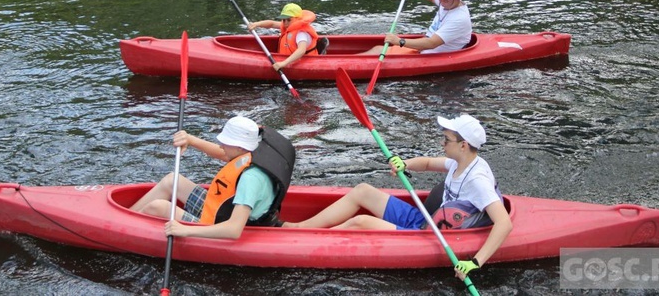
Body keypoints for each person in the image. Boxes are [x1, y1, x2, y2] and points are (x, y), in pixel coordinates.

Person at [282, 114, 512, 281]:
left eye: (446, 139)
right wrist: (404, 163)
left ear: (463, 145)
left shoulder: (477, 181)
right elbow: (429, 163)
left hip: (429, 237)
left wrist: (474, 262)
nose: (442, 143)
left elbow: (504, 223)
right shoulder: (459, 161)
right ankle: (301, 227)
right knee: (362, 190)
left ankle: (302, 245)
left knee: (360, 222)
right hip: (427, 222)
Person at [130, 116, 295, 240]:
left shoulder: (250, 179)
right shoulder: (253, 149)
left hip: (222, 224)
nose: (221, 145)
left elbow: (234, 230)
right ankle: (127, 217)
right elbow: (223, 153)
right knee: (172, 180)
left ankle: (125, 232)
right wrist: (191, 140)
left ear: (239, 147)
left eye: (225, 142)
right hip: (222, 209)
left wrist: (185, 230)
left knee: (158, 207)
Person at [361, 0, 472, 55]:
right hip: (424, 48)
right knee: (378, 49)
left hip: (431, 53)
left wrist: (400, 41)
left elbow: (431, 43)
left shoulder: (459, 19)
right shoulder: (448, 2)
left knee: (379, 52)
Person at [248, 3, 320, 70]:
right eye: (284, 20)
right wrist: (256, 24)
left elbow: (301, 50)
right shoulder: (288, 26)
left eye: (288, 20)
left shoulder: (301, 34)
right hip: (285, 57)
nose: (285, 23)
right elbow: (272, 24)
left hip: (305, 61)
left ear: (298, 19)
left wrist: (284, 63)